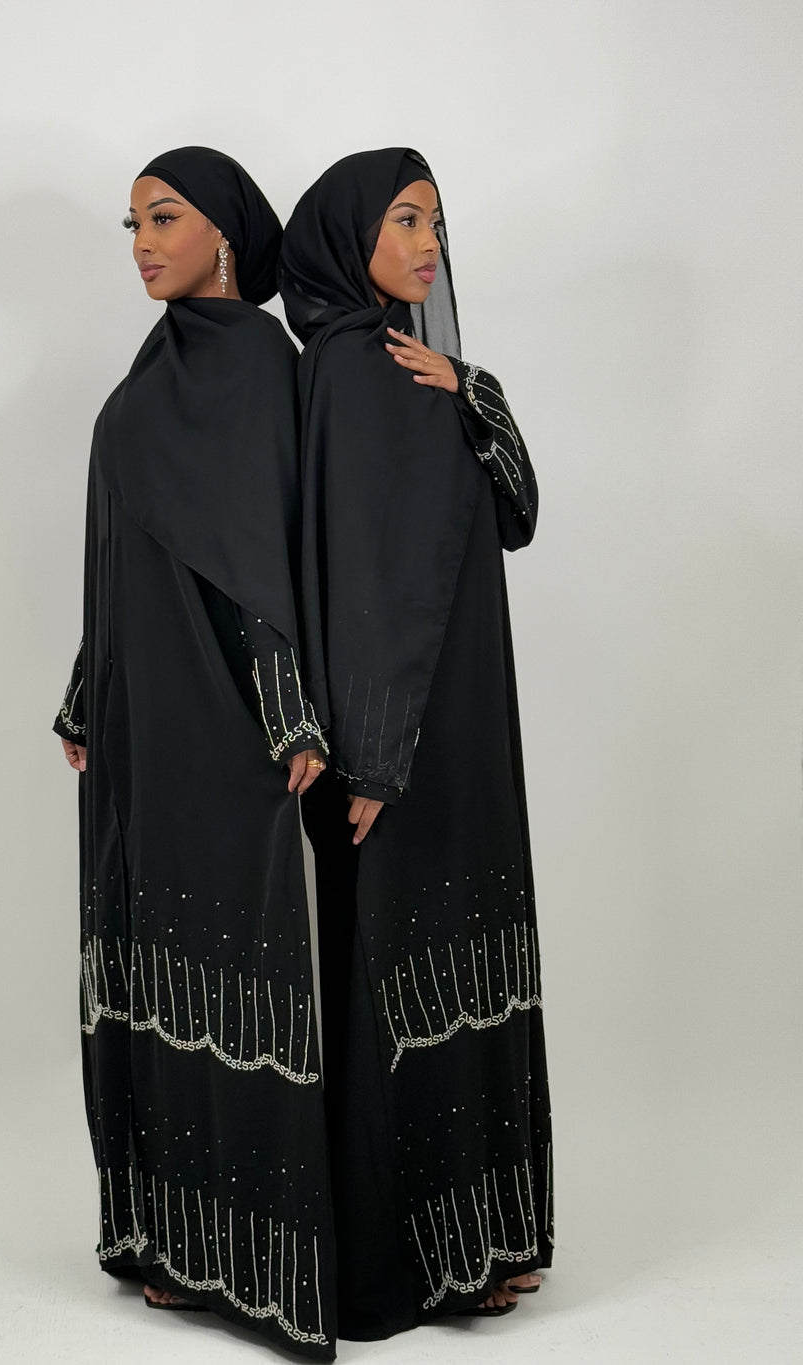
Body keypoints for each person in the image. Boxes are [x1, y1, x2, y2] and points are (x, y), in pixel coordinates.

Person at [53, 147, 337, 1360]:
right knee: (149, 958)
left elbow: (257, 552)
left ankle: (251, 1257)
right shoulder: (152, 368)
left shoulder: (262, 368)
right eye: (130, 225)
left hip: (225, 720)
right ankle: (167, 1239)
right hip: (138, 713)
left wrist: (287, 710)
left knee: (233, 967)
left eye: (162, 220)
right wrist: (84, 697)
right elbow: (128, 546)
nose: (141, 246)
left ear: (223, 232)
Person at [278, 147, 554, 1339]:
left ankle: (467, 1249)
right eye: (404, 220)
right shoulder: (361, 374)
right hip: (405, 739)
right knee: (408, 967)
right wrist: (380, 754)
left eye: (436, 221)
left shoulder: (399, 365)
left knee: (431, 961)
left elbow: (516, 515)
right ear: (348, 237)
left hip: (433, 720)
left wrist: (471, 386)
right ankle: (433, 1262)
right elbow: (373, 577)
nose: (430, 244)